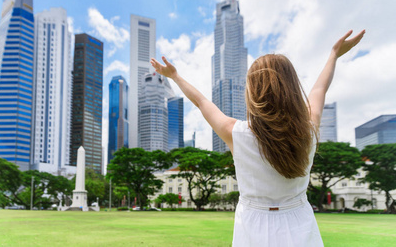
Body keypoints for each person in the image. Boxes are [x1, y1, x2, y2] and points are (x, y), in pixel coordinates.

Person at [151, 29, 365, 246]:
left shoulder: (237, 133)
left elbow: (201, 102)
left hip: (252, 227)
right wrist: (333, 55)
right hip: (299, 222)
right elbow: (319, 89)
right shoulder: (307, 132)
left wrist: (175, 76)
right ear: (291, 89)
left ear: (253, 92)